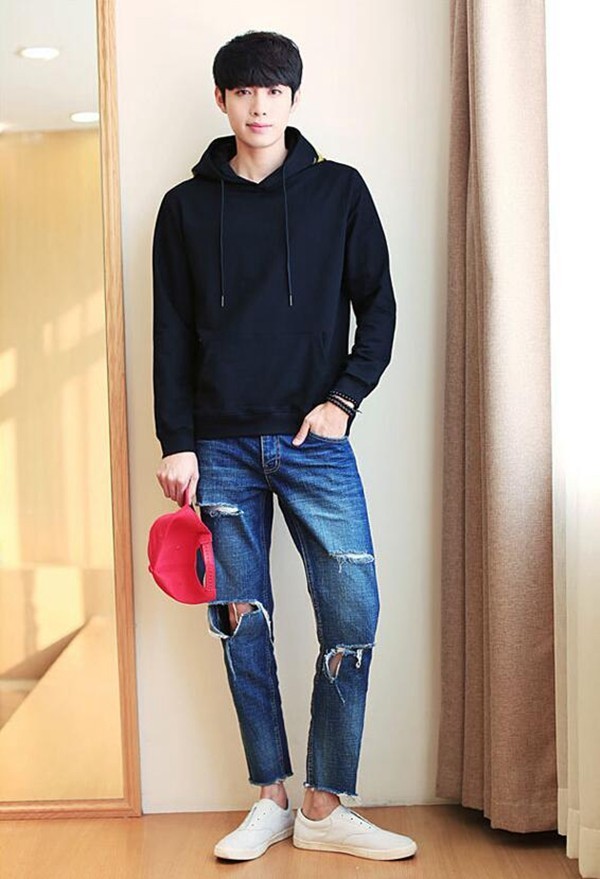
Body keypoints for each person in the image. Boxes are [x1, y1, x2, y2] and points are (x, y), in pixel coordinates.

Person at [152, 30, 417, 863]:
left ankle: (325, 803)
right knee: (243, 623)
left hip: (314, 441)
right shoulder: (184, 208)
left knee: (353, 612)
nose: (259, 105)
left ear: (293, 99)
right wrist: (178, 442)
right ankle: (268, 795)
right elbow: (169, 333)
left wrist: (343, 400)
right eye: (243, 90)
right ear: (222, 100)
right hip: (219, 447)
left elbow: (379, 309)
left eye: (273, 90)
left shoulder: (339, 191)